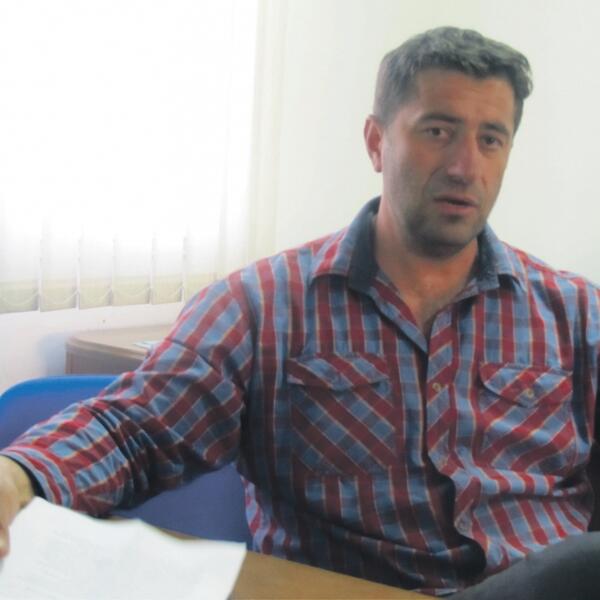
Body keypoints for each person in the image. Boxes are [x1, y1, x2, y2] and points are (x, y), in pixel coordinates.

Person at [1, 26, 599, 598]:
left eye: (490, 139)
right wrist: (18, 474)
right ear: (376, 142)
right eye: (438, 131)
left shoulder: (575, 314)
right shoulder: (265, 306)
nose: (465, 166)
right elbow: (135, 429)